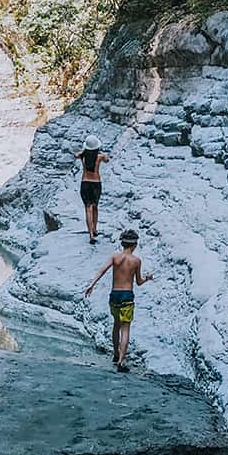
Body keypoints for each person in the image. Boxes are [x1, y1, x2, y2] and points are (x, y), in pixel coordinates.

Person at [85, 230, 154, 371]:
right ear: (135, 245)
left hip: (114, 294)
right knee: (126, 329)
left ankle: (115, 354)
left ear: (122, 243)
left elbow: (102, 270)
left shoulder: (115, 257)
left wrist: (91, 284)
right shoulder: (136, 261)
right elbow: (139, 282)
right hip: (127, 296)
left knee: (116, 325)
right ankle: (121, 361)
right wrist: (148, 278)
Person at [73, 134, 109, 245]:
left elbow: (76, 155)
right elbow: (107, 159)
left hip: (85, 183)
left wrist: (82, 152)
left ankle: (91, 235)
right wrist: (102, 153)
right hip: (96, 184)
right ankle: (95, 229)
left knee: (87, 208)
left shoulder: (83, 156)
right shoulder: (99, 157)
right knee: (95, 207)